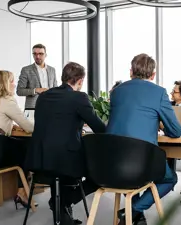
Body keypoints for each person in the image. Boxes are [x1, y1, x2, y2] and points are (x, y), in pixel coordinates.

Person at [25, 62, 106, 225]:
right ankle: (62, 202)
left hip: (39, 160)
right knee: (99, 175)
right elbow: (99, 128)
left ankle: (62, 210)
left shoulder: (44, 96)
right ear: (80, 80)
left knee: (61, 167)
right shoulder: (79, 97)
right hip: (65, 162)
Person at [107, 53, 181, 225]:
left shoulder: (117, 92)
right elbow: (176, 131)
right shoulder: (159, 93)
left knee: (133, 176)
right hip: (141, 162)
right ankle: (133, 211)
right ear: (153, 75)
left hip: (112, 162)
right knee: (170, 179)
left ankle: (134, 215)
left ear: (131, 71)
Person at [0, 70, 34, 208]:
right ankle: (22, 192)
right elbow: (29, 127)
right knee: (27, 146)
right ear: (3, 84)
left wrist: (10, 126)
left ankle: (20, 191)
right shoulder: (7, 101)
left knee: (20, 147)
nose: (14, 84)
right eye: (11, 81)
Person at [17, 44, 58, 109]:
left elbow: (55, 89)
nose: (37, 56)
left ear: (45, 55)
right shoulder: (26, 70)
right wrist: (36, 90)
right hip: (33, 108)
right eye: (35, 54)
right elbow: (19, 91)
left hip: (51, 107)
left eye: (41, 54)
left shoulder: (52, 70)